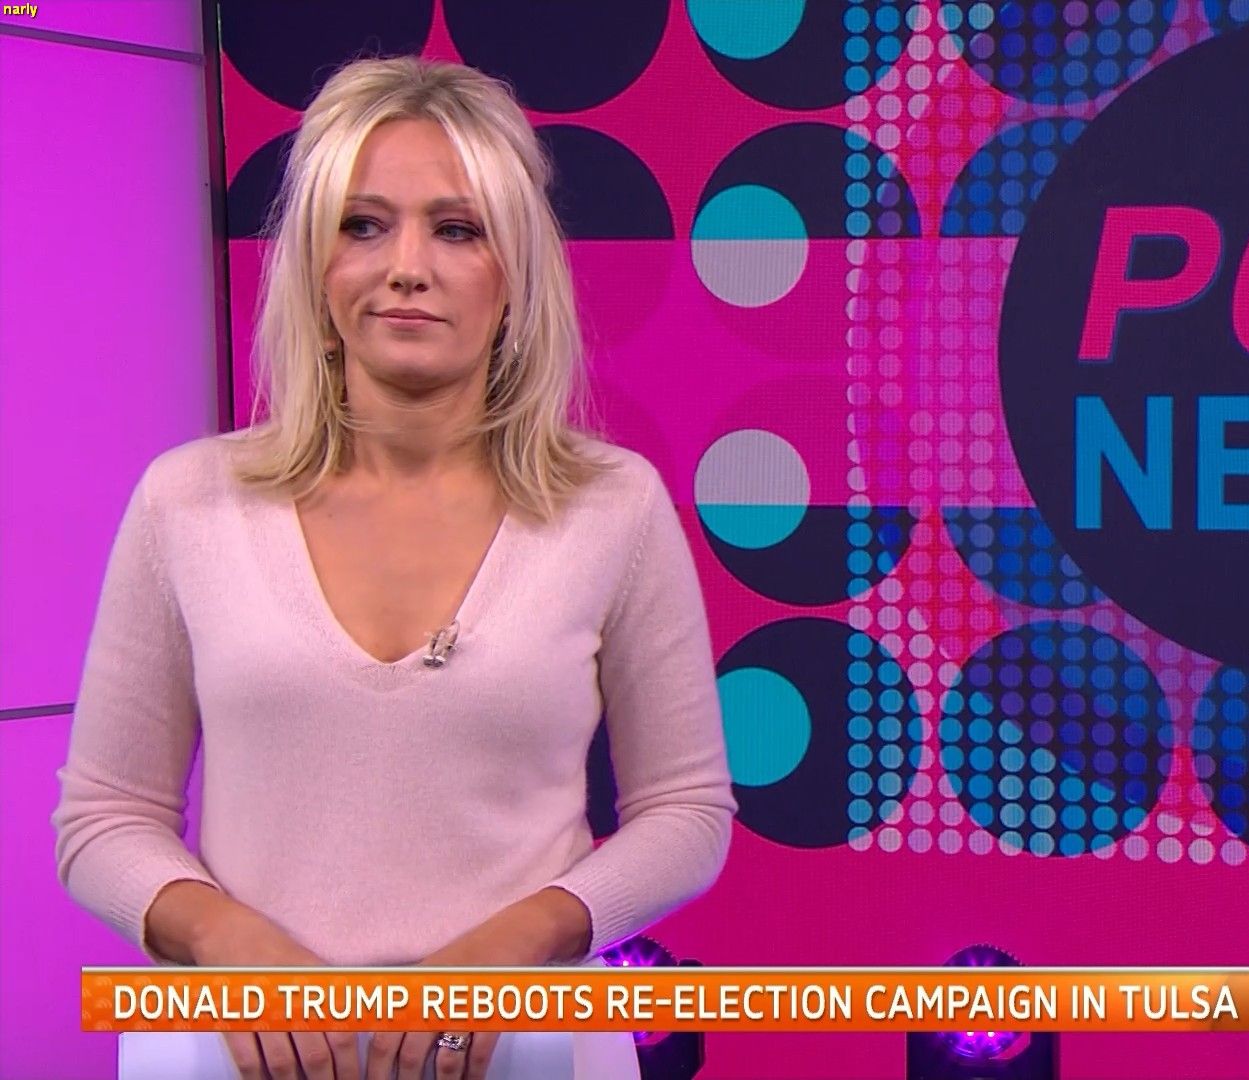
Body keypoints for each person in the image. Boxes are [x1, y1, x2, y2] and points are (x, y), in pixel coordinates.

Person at [52, 56, 736, 1079]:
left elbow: (688, 813)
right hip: (240, 1052)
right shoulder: (186, 502)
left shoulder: (613, 506)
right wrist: (224, 939)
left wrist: (519, 944)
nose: (406, 267)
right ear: (314, 265)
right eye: (364, 226)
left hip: (527, 1048)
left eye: (456, 230)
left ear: (515, 270)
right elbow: (103, 817)